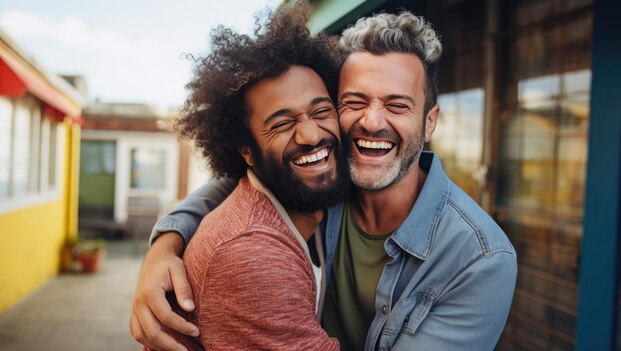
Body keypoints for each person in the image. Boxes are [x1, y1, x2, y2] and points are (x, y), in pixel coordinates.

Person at [130, 9, 517, 351]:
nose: (372, 122)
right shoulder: (325, 181)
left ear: (429, 121)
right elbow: (239, 184)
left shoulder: (479, 259)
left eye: (397, 105)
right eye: (354, 102)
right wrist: (165, 244)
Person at [136, 5, 349, 350]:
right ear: (247, 151)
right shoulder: (253, 252)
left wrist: (166, 239)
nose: (310, 135)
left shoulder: (300, 195)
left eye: (322, 111)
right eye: (282, 123)